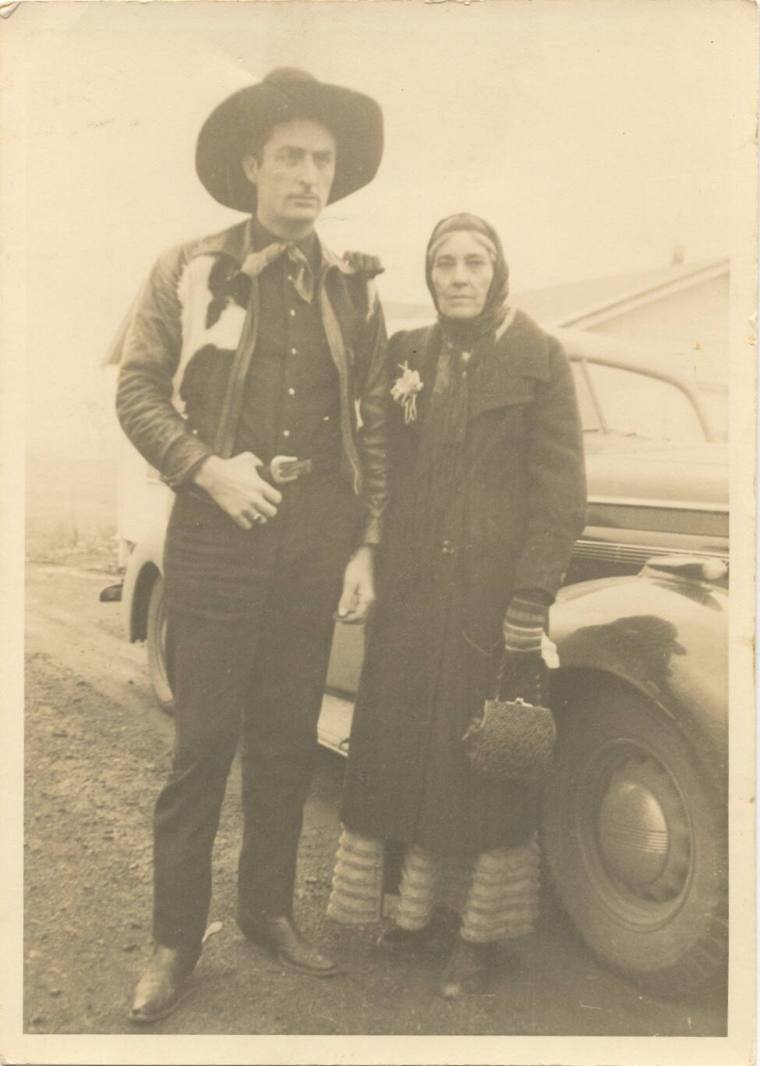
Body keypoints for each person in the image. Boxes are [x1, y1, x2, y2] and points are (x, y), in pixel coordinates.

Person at [114, 68, 389, 1023]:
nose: (309, 175)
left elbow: (372, 428)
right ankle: (173, 944)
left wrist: (364, 546)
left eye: (324, 160)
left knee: (285, 743)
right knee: (203, 746)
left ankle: (268, 911)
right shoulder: (189, 270)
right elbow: (138, 389)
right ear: (252, 166)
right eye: (291, 158)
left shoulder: (355, 290)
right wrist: (206, 468)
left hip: (315, 542)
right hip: (215, 531)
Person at [328, 213, 586, 997]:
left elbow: (560, 493)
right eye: (444, 263)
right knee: (406, 746)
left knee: (482, 759)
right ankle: (412, 918)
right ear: (430, 273)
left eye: (475, 262)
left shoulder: (539, 358)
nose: (459, 276)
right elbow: (375, 457)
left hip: (490, 596)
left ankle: (479, 937)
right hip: (410, 590)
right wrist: (367, 553)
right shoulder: (409, 353)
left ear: (497, 269)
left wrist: (530, 597)